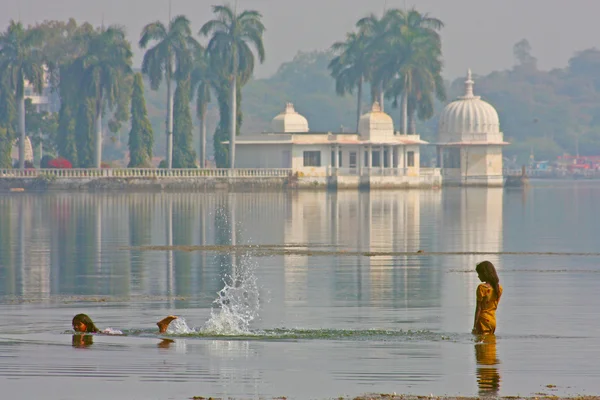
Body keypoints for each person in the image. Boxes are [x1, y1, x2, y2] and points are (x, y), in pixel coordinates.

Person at [472, 261, 503, 335]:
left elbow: (478, 308)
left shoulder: (482, 288)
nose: (478, 276)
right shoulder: (499, 288)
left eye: (479, 274)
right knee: (490, 344)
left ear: (484, 274)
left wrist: (475, 326)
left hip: (483, 320)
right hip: (492, 321)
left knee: (481, 344)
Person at [72, 314, 179, 334]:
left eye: (78, 324)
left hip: (112, 333)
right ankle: (163, 326)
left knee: (162, 337)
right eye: (74, 325)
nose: (75, 327)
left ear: (86, 324)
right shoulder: (92, 333)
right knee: (162, 336)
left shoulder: (93, 333)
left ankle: (162, 326)